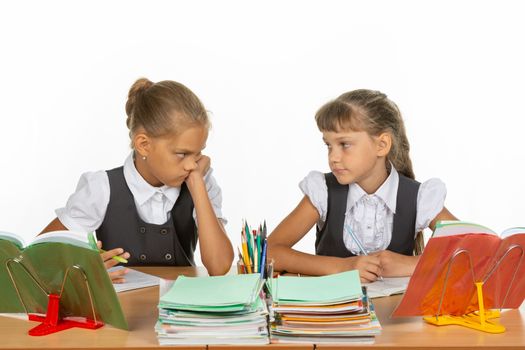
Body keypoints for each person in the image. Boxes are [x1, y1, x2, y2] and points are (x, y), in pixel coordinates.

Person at [41, 78, 234, 281]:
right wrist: (82, 267)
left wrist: (198, 186)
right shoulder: (102, 188)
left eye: (197, 153)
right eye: (181, 154)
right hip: (120, 309)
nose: (192, 165)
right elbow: (36, 258)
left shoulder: (200, 181)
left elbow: (219, 266)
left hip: (180, 311)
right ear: (143, 145)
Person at [267, 89, 457, 282]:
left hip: (398, 312)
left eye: (345, 144)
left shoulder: (418, 198)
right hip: (335, 311)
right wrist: (342, 267)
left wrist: (410, 264)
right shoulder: (323, 192)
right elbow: (269, 253)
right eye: (329, 145)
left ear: (381, 145)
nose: (333, 157)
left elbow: (479, 250)